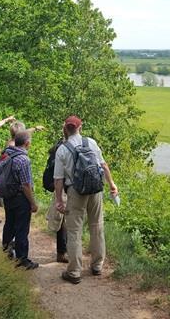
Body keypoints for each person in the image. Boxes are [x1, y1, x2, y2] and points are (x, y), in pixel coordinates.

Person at [53, 116, 118, 284]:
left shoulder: (62, 149)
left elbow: (58, 179)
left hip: (75, 191)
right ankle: (97, 265)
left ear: (65, 129)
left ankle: (74, 272)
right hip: (95, 189)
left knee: (74, 231)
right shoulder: (91, 142)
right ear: (80, 127)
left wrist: (59, 200)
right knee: (97, 226)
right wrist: (111, 184)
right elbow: (103, 166)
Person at [2, 130, 39, 269]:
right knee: (22, 229)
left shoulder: (7, 154)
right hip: (20, 198)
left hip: (8, 195)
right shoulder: (23, 159)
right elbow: (25, 185)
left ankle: (6, 252)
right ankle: (22, 260)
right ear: (27, 143)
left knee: (9, 224)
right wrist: (33, 203)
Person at [45, 138, 68, 263]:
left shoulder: (57, 147)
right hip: (64, 187)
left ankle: (63, 251)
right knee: (63, 221)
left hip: (58, 187)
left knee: (62, 220)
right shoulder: (65, 149)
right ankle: (62, 252)